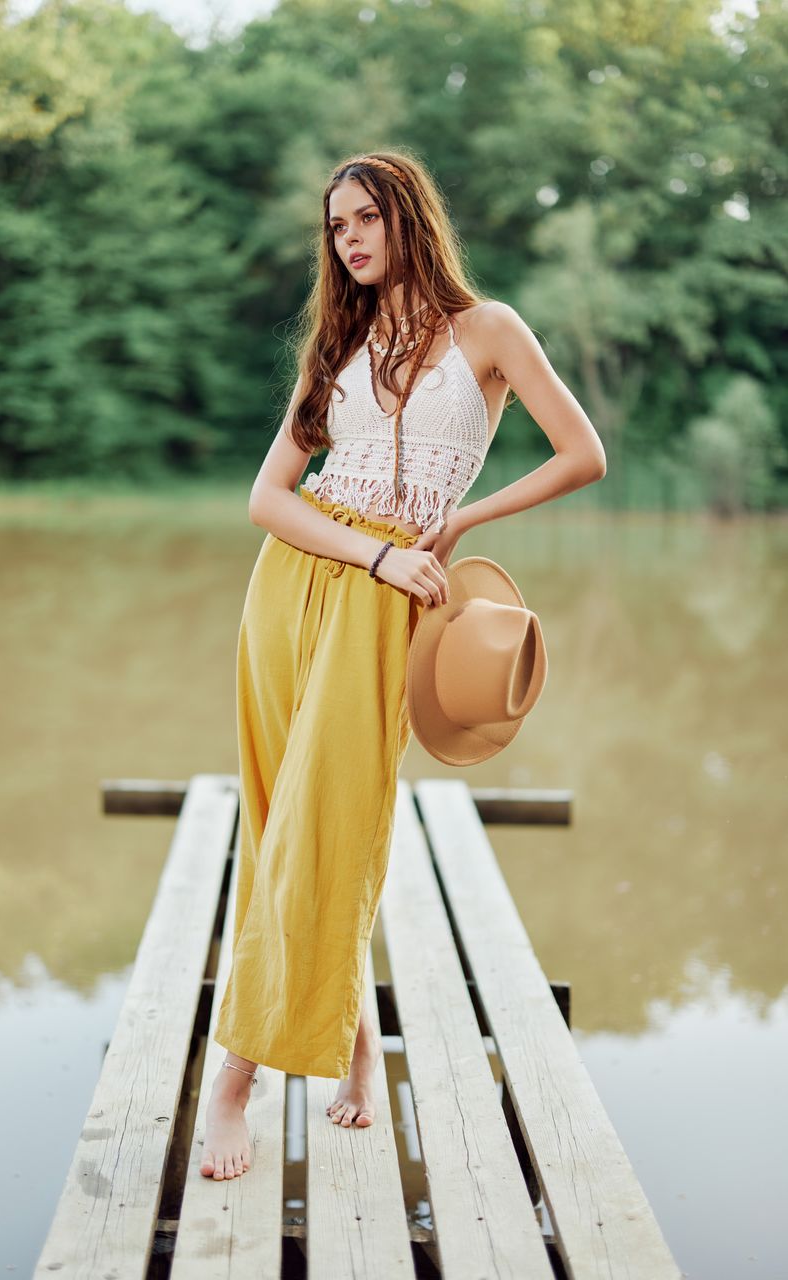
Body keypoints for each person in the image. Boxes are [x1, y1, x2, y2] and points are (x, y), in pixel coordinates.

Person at [200, 150, 606, 1181]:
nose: (347, 239)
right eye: (334, 226)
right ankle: (355, 1060)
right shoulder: (336, 340)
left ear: (406, 217)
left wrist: (462, 514)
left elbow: (580, 453)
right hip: (296, 582)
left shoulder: (488, 332)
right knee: (277, 814)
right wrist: (374, 547)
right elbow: (268, 497)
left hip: (390, 606)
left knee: (330, 820)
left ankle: (231, 1082)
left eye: (362, 218)